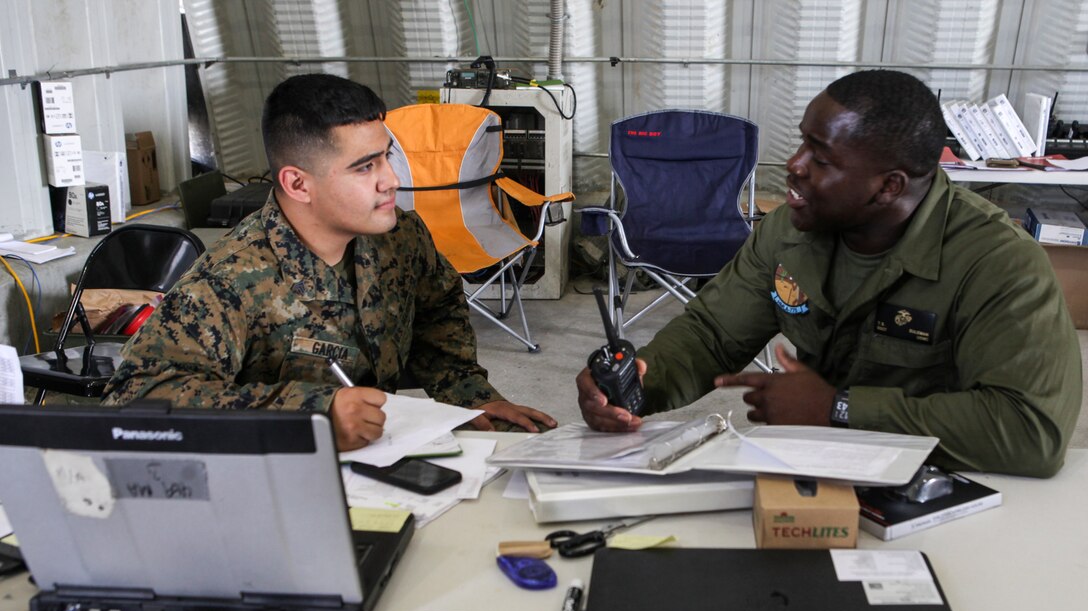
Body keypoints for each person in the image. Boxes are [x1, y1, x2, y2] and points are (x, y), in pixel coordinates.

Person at [576, 69, 1082, 477]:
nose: (793, 166)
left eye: (820, 157)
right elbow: (713, 333)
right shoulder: (788, 233)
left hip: (956, 481)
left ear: (888, 187)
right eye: (801, 145)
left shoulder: (998, 264)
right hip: (827, 472)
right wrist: (639, 384)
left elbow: (1030, 432)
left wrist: (839, 409)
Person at [104, 73, 555, 451]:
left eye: (387, 157)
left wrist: (468, 395)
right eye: (365, 167)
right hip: (273, 484)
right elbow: (133, 399)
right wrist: (312, 415)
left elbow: (438, 309)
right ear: (298, 184)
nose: (391, 181)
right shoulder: (230, 280)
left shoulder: (400, 237)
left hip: (379, 463)